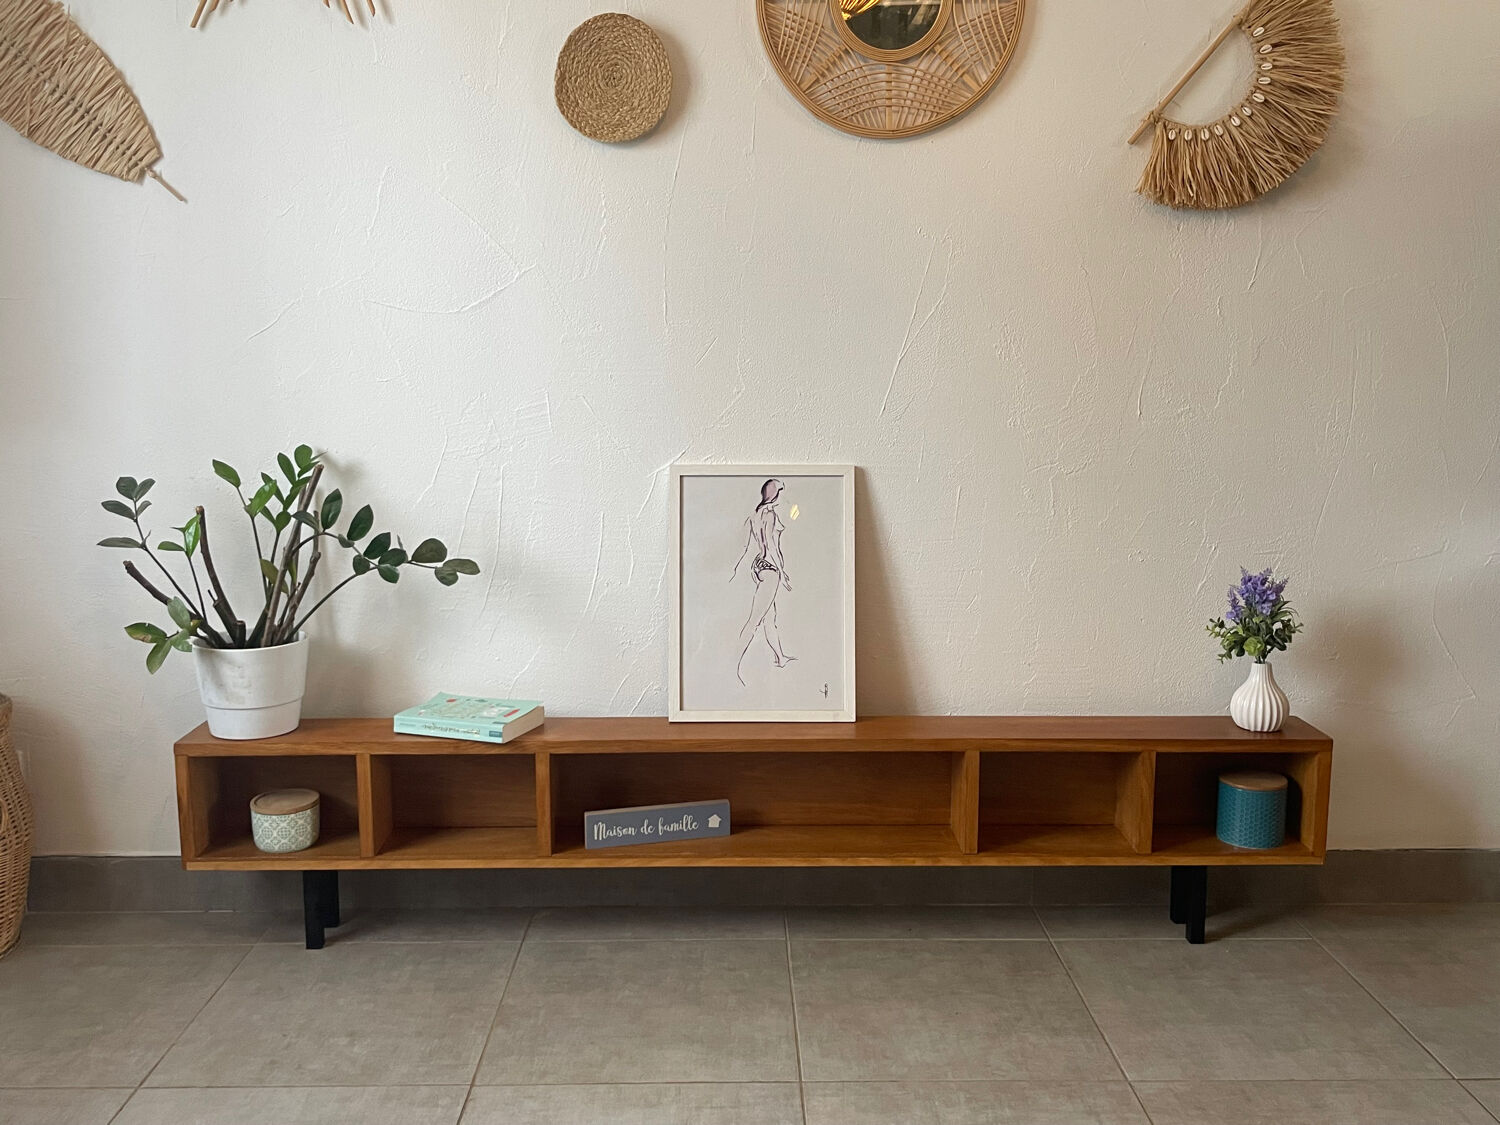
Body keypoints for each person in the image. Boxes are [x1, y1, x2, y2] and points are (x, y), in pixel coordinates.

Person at [730, 478, 794, 684]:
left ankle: (780, 657)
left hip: (760, 566)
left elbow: (752, 545)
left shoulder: (755, 514)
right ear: (775, 494)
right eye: (781, 492)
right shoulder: (770, 514)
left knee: (769, 618)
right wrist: (782, 572)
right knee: (755, 621)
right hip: (771, 569)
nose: (783, 497)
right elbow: (770, 545)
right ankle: (733, 666)